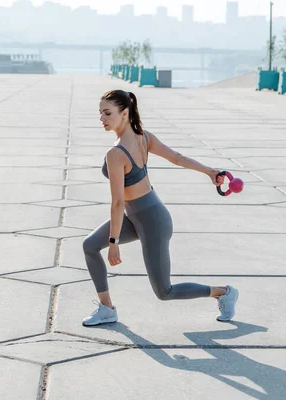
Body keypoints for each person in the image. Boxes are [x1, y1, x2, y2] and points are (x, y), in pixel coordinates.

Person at [81, 89, 238, 327]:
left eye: (107, 113)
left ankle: (223, 292)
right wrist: (210, 172)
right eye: (100, 113)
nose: (101, 118)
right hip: (138, 215)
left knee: (164, 291)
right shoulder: (142, 137)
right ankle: (107, 309)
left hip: (152, 221)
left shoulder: (117, 153)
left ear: (124, 113)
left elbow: (117, 202)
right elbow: (176, 157)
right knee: (90, 246)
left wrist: (113, 243)